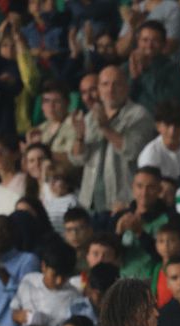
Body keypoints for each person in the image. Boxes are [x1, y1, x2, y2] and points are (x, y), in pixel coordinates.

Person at [70, 65, 156, 215]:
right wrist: (79, 137)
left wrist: (105, 127)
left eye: (116, 84)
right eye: (105, 84)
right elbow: (77, 159)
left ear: (126, 87)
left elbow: (132, 151)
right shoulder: (90, 118)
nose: (110, 89)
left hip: (122, 203)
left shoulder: (139, 115)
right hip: (90, 203)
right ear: (99, 89)